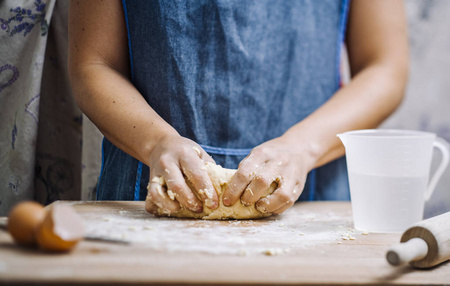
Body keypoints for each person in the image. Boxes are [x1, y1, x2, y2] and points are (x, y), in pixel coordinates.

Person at [68, 0, 408, 216]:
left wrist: (302, 148)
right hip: (147, 191)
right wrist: (156, 143)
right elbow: (94, 64)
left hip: (316, 194)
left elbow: (386, 67)